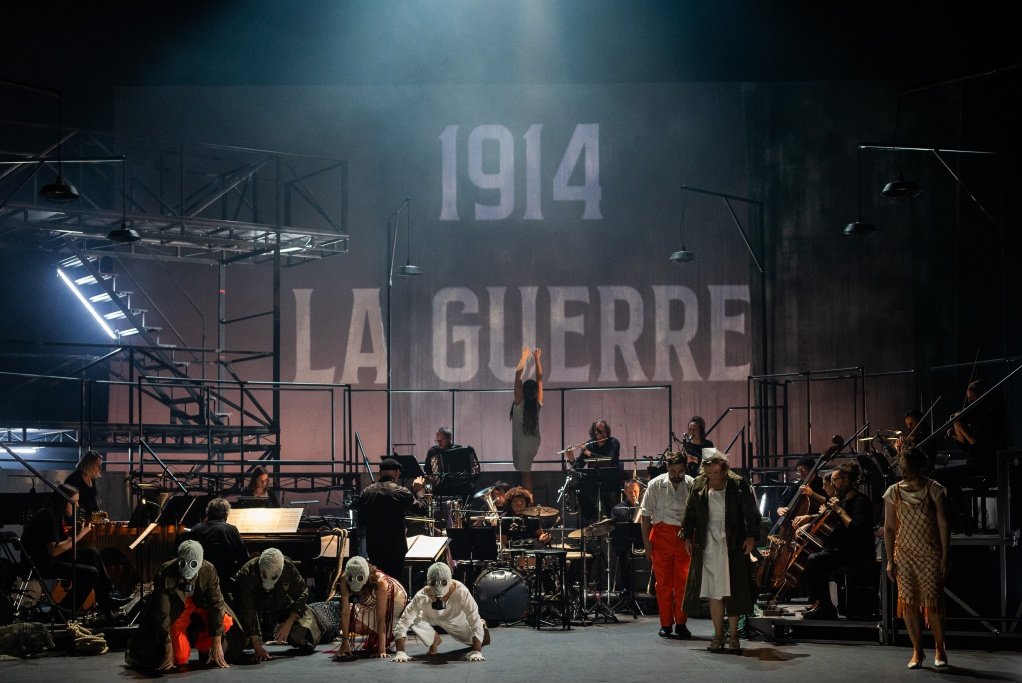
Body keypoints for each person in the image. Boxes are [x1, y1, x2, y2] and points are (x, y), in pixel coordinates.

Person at [681, 449, 760, 653]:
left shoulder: (737, 484)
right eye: (709, 473)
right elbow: (690, 512)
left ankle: (734, 637)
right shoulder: (699, 484)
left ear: (724, 467)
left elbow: (752, 513)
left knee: (731, 589)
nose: (713, 476)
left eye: (716, 472)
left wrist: (751, 537)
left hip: (732, 542)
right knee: (714, 592)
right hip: (708, 542)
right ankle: (717, 635)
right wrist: (687, 536)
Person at [125, 540, 244, 670]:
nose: (188, 568)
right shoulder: (166, 571)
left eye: (193, 564)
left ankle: (205, 648)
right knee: (180, 658)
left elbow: (216, 604)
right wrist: (168, 648)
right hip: (178, 610)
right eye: (183, 563)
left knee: (225, 621)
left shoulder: (208, 570)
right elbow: (162, 611)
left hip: (201, 606)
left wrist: (216, 643)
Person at [883, 447, 950, 669]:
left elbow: (943, 522)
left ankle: (940, 648)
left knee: (932, 603)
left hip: (930, 552)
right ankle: (917, 650)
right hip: (904, 553)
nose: (903, 471)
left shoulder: (934, 488)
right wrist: (891, 561)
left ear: (919, 467)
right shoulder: (893, 491)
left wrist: (945, 556)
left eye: (907, 467)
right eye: (902, 467)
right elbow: (889, 527)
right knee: (909, 603)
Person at [20, 483, 129, 617]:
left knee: (92, 553)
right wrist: (81, 534)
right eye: (75, 502)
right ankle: (63, 612)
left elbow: (63, 545)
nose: (77, 506)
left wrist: (79, 532)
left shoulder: (56, 514)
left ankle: (105, 600)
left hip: (49, 558)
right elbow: (54, 551)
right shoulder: (48, 516)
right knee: (91, 573)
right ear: (64, 501)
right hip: (40, 563)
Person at [799, 461, 876, 620]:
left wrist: (838, 510)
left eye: (835, 480)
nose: (832, 484)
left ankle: (825, 608)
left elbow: (856, 528)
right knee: (811, 558)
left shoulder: (861, 502)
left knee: (814, 561)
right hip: (840, 549)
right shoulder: (840, 500)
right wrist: (810, 520)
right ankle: (820, 604)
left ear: (847, 480)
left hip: (855, 552)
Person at [933, 380, 1008, 532]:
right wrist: (955, 431)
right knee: (946, 479)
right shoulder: (981, 416)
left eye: (972, 398)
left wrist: (959, 426)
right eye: (968, 398)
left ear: (982, 395)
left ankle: (960, 516)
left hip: (986, 465)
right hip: (975, 462)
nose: (969, 402)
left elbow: (976, 443)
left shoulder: (992, 416)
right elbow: (966, 445)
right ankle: (962, 515)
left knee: (938, 475)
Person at [232, 548, 322, 662]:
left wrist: (288, 622)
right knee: (236, 645)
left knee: (304, 636)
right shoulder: (247, 573)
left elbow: (302, 593)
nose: (268, 580)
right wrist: (257, 646)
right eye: (264, 575)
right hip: (253, 611)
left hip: (280, 606)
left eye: (274, 577)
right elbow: (248, 610)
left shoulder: (287, 567)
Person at [639, 452, 693, 638]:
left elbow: (696, 517)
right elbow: (645, 516)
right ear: (667, 468)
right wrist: (647, 545)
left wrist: (690, 538)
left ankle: (681, 623)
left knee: (683, 583)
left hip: (684, 537)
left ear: (685, 469)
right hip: (660, 536)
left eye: (680, 471)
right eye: (672, 470)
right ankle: (666, 624)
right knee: (663, 584)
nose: (676, 475)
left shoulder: (692, 484)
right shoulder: (655, 484)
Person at [392, 561, 489, 663]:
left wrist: (477, 651)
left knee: (473, 641)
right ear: (428, 582)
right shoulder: (421, 596)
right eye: (433, 583)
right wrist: (401, 652)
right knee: (413, 618)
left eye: (443, 582)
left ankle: (484, 628)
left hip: (456, 620)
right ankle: (433, 639)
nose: (438, 587)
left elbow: (473, 618)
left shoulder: (461, 592)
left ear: (449, 580)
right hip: (432, 617)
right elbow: (404, 621)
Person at [354, 458, 427, 582]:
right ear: (397, 473)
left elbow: (361, 521)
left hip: (374, 547)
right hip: (395, 548)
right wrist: (419, 490)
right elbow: (422, 510)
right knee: (393, 583)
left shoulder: (366, 492)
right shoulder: (400, 491)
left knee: (378, 582)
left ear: (381, 472)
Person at [330, 556, 408, 659]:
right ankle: (378, 634)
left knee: (379, 621)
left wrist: (381, 650)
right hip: (369, 601)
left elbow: (381, 619)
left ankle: (388, 634)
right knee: (353, 625)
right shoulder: (345, 578)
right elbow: (345, 612)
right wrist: (345, 642)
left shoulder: (380, 583)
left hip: (394, 600)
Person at [182, 497, 250, 597]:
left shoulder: (196, 529)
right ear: (226, 514)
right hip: (224, 579)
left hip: (199, 578)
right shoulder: (230, 530)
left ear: (208, 512)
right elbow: (244, 557)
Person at [566, 419, 622, 524]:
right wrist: (571, 458)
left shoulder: (613, 442)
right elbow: (578, 467)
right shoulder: (590, 444)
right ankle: (593, 517)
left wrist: (588, 453)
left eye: (602, 431)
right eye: (597, 431)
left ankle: (612, 523)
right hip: (594, 479)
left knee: (608, 497)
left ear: (607, 431)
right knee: (576, 487)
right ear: (593, 432)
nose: (599, 434)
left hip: (610, 479)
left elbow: (608, 461)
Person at [510, 346, 543, 491]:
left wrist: (524, 356)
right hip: (533, 440)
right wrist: (537, 359)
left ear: (523, 390)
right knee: (525, 472)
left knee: (525, 475)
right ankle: (527, 502)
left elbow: (518, 374)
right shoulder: (537, 402)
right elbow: (540, 379)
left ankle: (529, 503)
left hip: (523, 443)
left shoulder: (519, 400)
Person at [424, 427, 480, 497]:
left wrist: (474, 469)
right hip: (440, 486)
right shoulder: (433, 452)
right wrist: (431, 478)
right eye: (437, 440)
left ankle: (465, 507)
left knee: (469, 487)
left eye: (442, 440)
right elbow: (427, 470)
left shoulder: (459, 449)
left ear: (449, 438)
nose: (439, 443)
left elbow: (470, 469)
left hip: (458, 484)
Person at [610, 480, 643, 595]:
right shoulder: (618, 509)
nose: (633, 494)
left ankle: (655, 589)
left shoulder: (645, 508)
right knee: (625, 553)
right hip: (626, 544)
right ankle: (626, 588)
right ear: (625, 492)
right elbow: (615, 532)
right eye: (630, 492)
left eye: (635, 491)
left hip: (642, 542)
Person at [64, 450, 103, 515]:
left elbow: (92, 500)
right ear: (89, 464)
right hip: (79, 518)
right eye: (97, 465)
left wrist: (98, 514)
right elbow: (69, 504)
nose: (100, 468)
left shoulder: (92, 478)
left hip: (91, 518)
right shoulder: (74, 479)